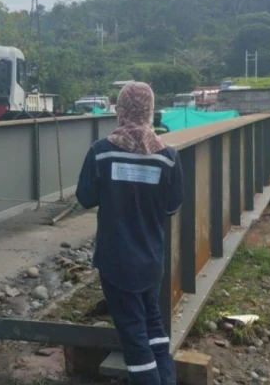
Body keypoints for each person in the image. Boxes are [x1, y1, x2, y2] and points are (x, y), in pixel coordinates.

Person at [75, 82, 183, 384]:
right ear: (150, 111)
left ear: (120, 110)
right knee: (154, 328)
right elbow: (172, 206)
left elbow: (85, 198)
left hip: (116, 261)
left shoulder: (101, 152)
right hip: (151, 260)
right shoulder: (168, 157)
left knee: (134, 338)